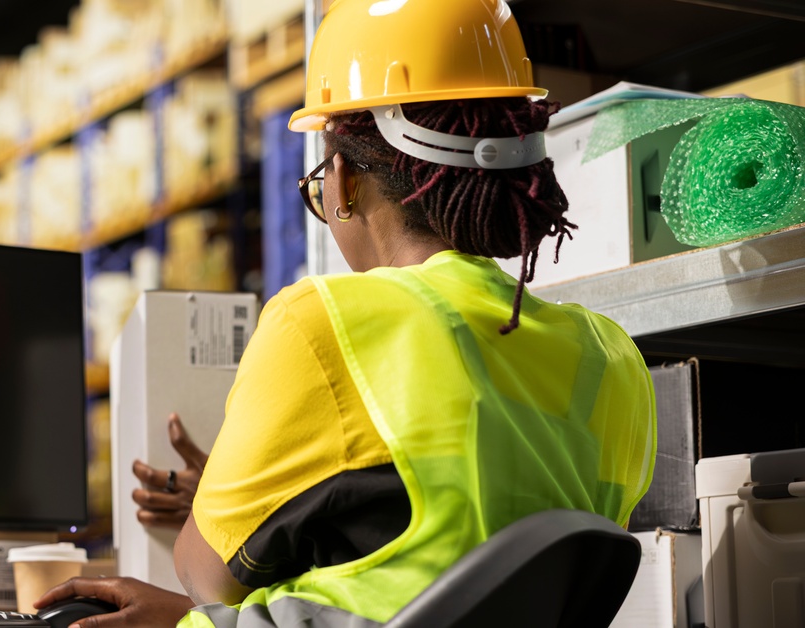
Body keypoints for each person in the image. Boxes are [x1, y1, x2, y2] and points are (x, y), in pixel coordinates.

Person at [35, 0, 657, 626]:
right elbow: (479, 541)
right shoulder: (613, 361)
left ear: (343, 182)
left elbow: (206, 577)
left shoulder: (326, 322)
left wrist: (222, 509)